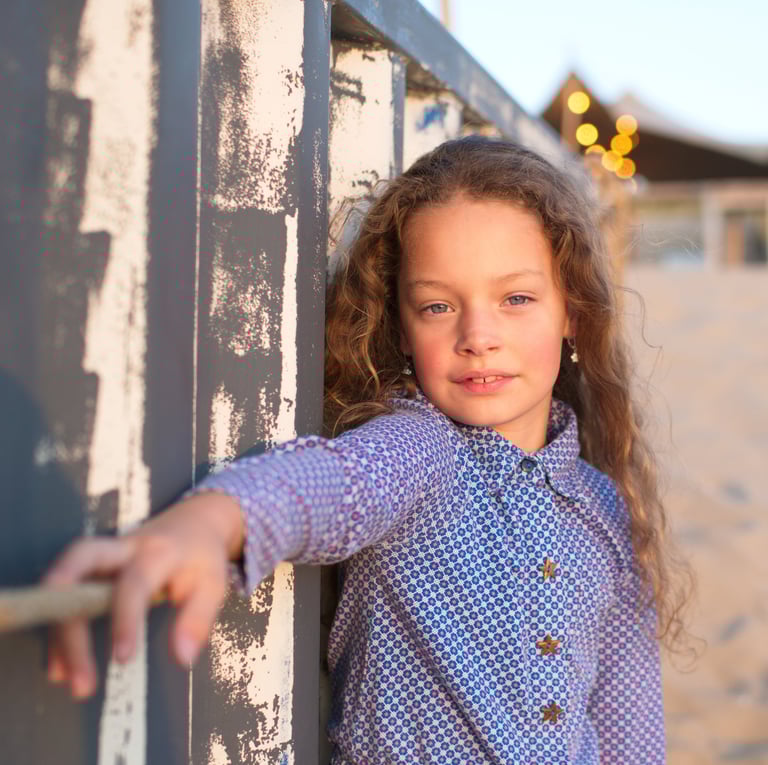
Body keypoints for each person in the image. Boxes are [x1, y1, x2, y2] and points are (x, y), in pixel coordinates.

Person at [44, 137, 688, 763]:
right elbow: (333, 483)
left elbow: (627, 726)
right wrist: (207, 523)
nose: (477, 335)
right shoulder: (421, 452)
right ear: (402, 330)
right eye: (437, 306)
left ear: (572, 310)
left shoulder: (605, 508)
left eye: (516, 299)